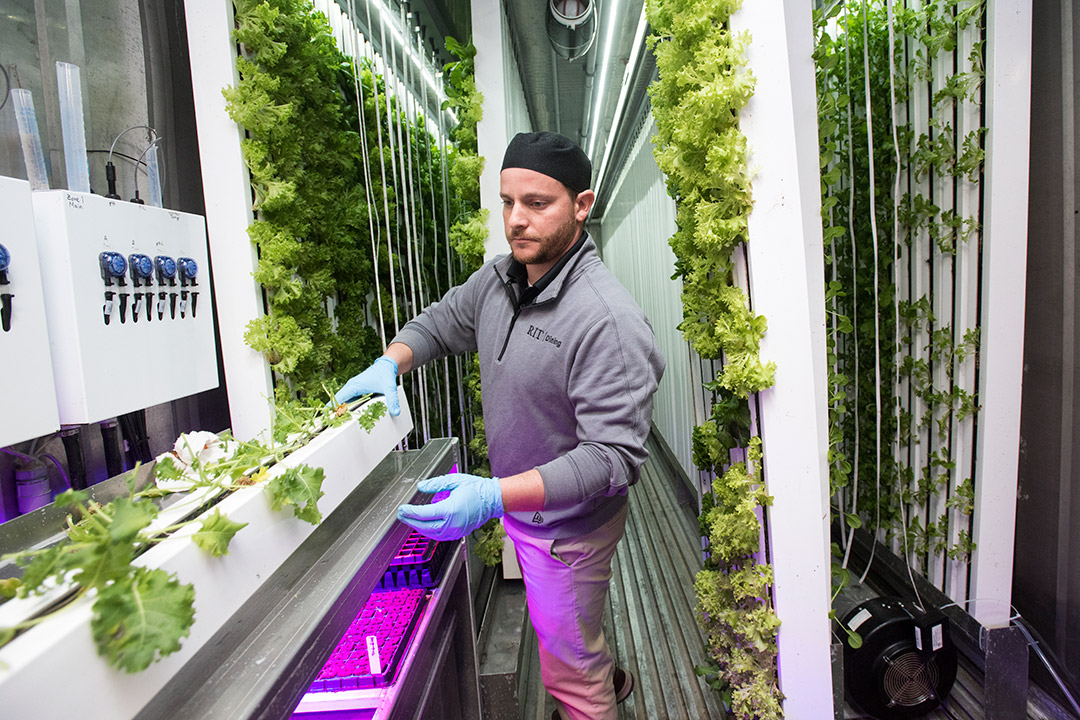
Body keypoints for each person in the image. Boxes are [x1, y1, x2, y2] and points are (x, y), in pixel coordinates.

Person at [334, 131, 664, 720]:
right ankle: (596, 664)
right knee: (566, 632)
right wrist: (391, 361)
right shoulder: (500, 279)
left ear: (582, 206)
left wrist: (493, 495)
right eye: (508, 202)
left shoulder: (605, 320)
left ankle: (592, 687)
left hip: (567, 533)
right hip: (524, 510)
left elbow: (612, 459)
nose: (517, 220)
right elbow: (439, 323)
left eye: (538, 204)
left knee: (572, 679)